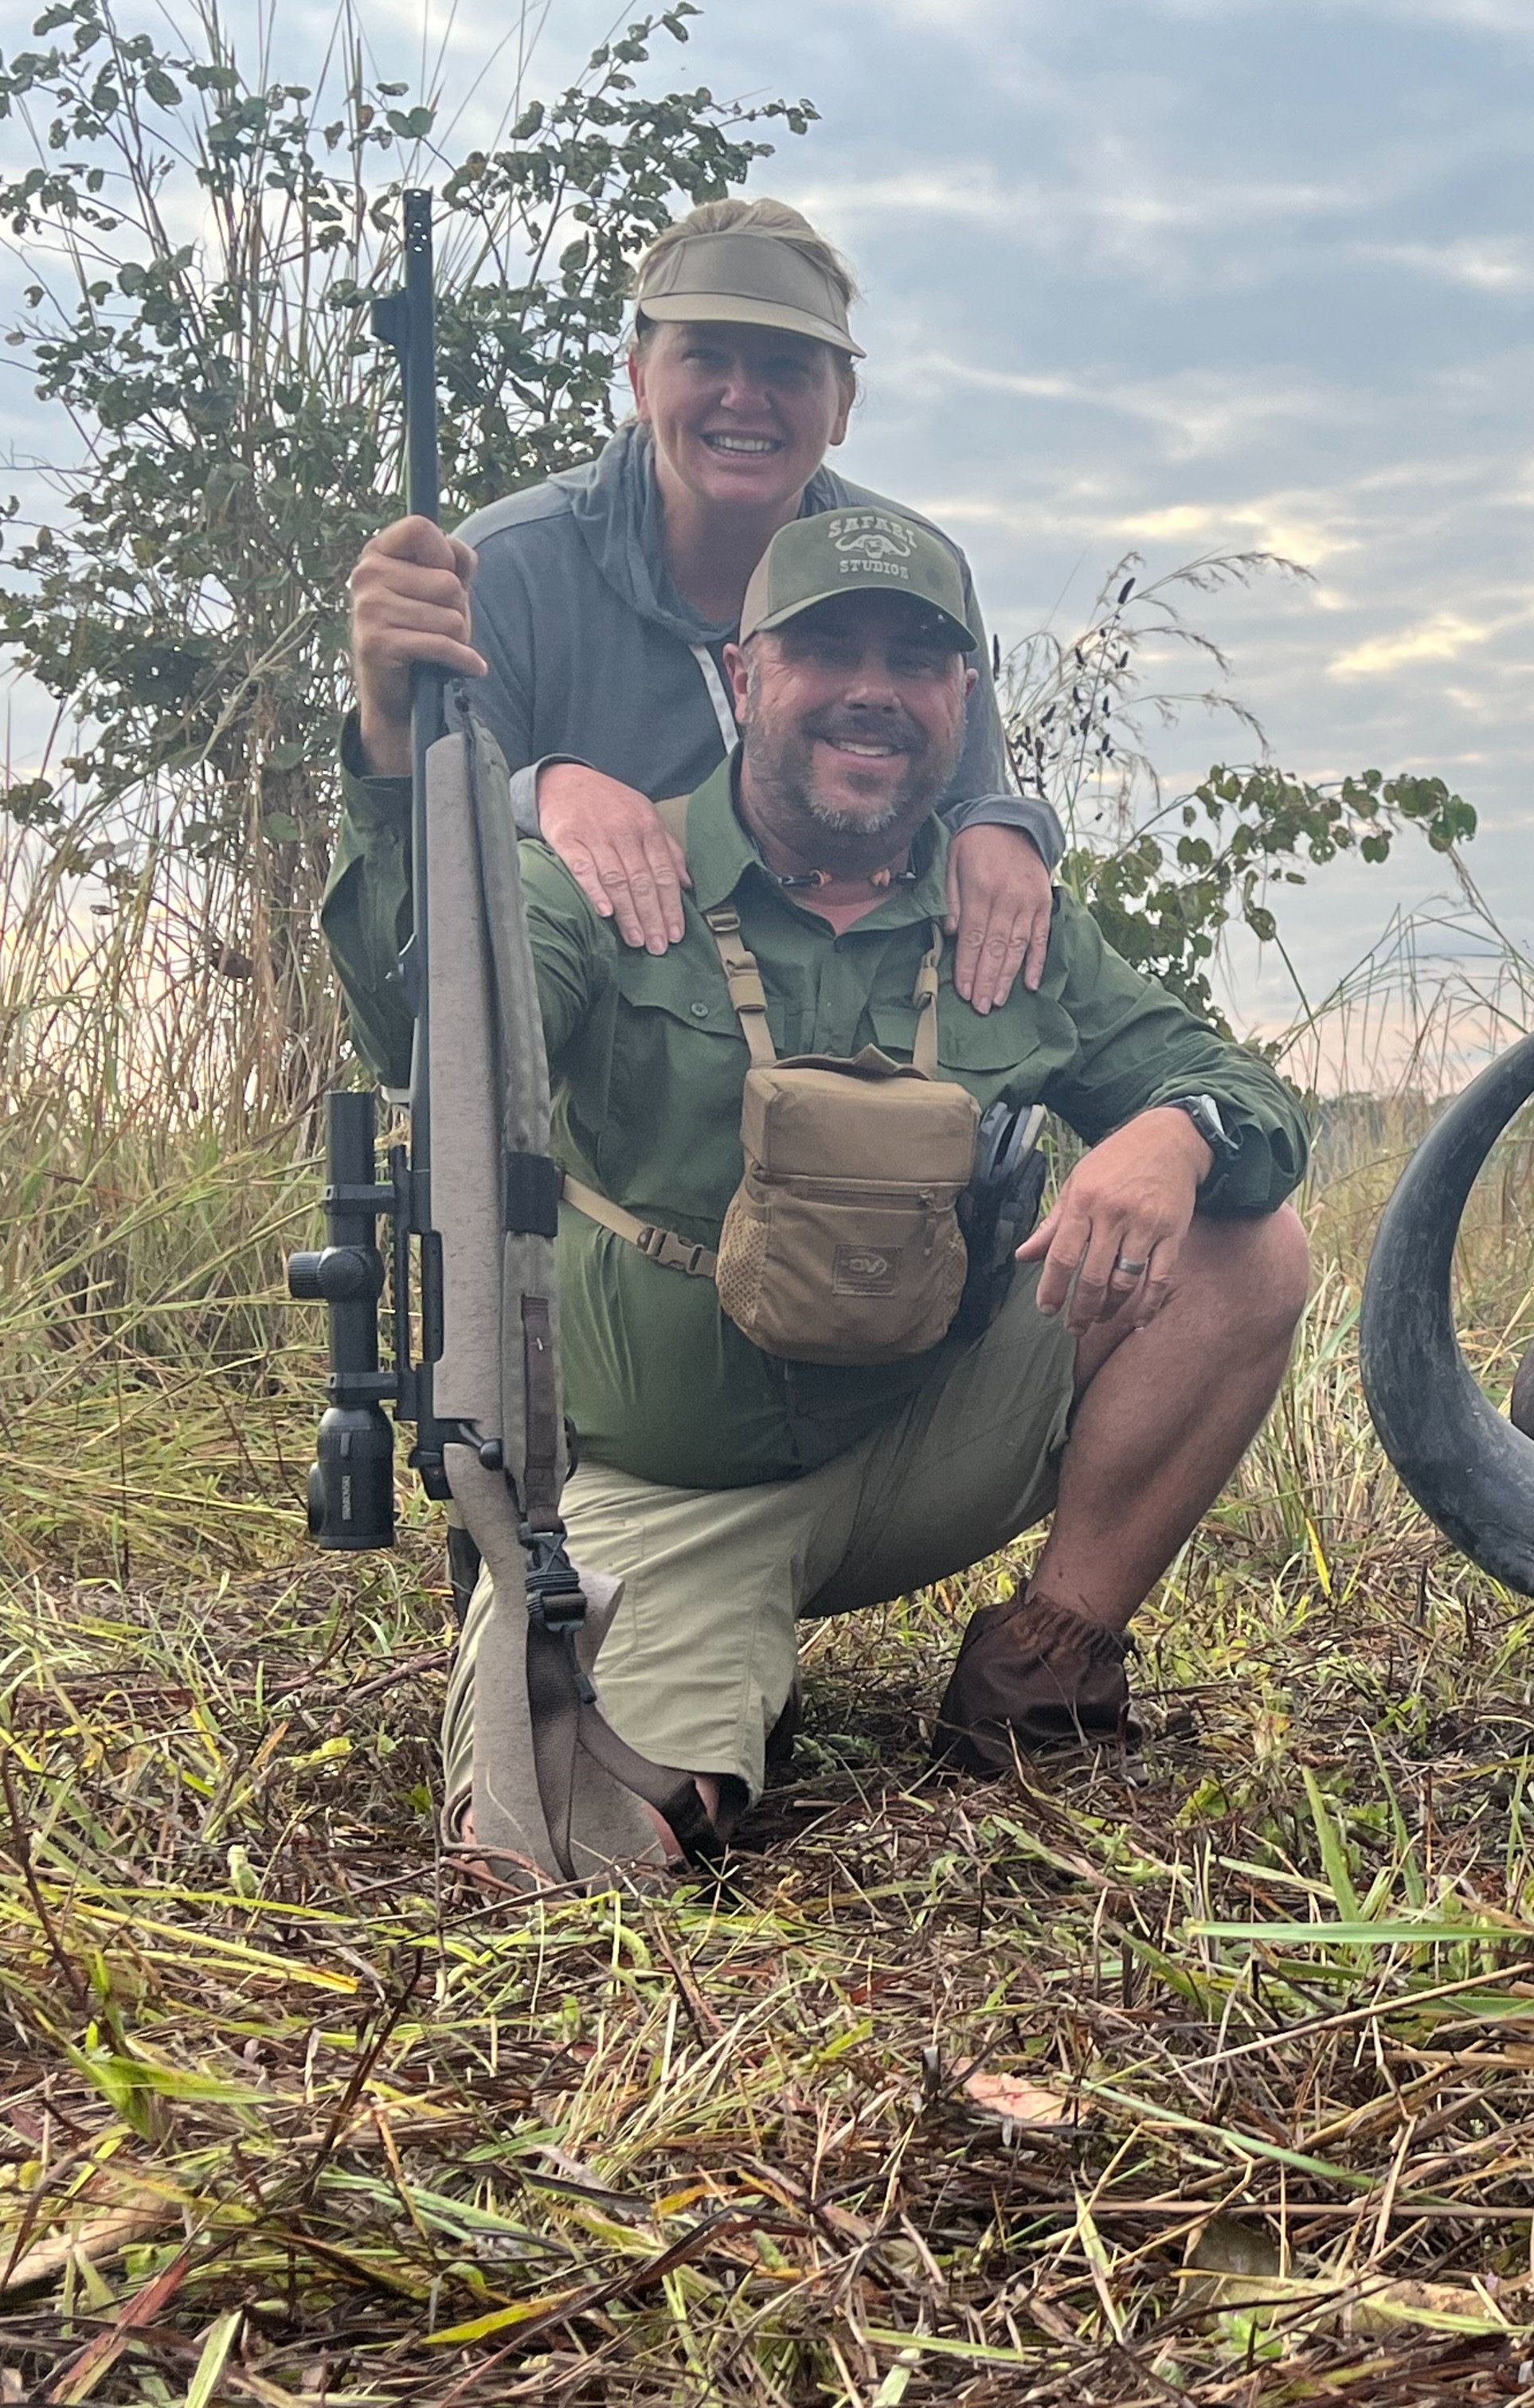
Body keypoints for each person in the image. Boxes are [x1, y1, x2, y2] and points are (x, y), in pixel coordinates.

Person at [324, 507, 1313, 1865]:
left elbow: (1242, 1090)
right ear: (742, 679)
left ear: (962, 703)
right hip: (673, 1479)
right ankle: (708, 1671)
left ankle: (1041, 1670)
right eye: (824, 648)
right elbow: (422, 1035)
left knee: (1246, 1249)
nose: (873, 689)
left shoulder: (1011, 915)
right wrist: (394, 751)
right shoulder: (606, 882)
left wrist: (1176, 1131)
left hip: (926, 1430)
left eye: (917, 660)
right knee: (564, 1864)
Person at [345, 197, 1060, 1014]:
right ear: (641, 381)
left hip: (874, 1071)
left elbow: (961, 803)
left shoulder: (915, 568)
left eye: (787, 366)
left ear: (844, 405)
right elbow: (413, 1005)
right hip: (609, 1086)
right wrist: (499, 775)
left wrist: (1005, 829)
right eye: (706, 357)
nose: (744, 397)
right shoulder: (505, 571)